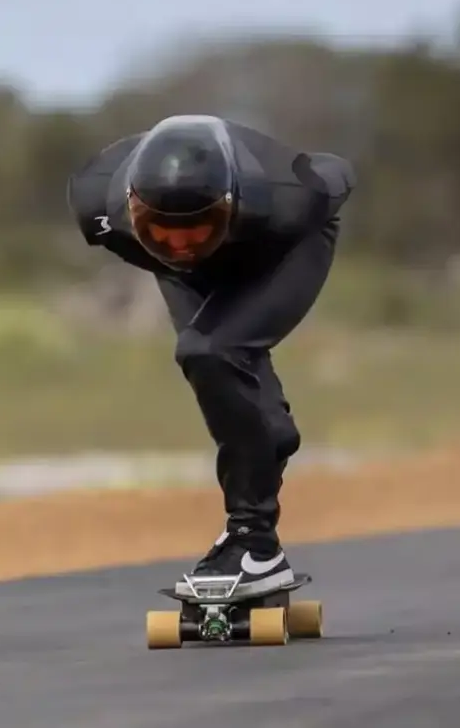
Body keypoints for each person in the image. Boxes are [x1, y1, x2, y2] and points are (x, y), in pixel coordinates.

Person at [66, 115, 355, 597]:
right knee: (213, 363)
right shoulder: (96, 203)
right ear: (134, 208)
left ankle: (255, 546)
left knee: (214, 349)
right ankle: (263, 480)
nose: (181, 245)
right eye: (163, 230)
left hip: (279, 251)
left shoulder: (293, 198)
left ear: (230, 204)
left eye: (196, 230)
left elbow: (338, 170)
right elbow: (175, 250)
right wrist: (187, 252)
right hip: (188, 267)